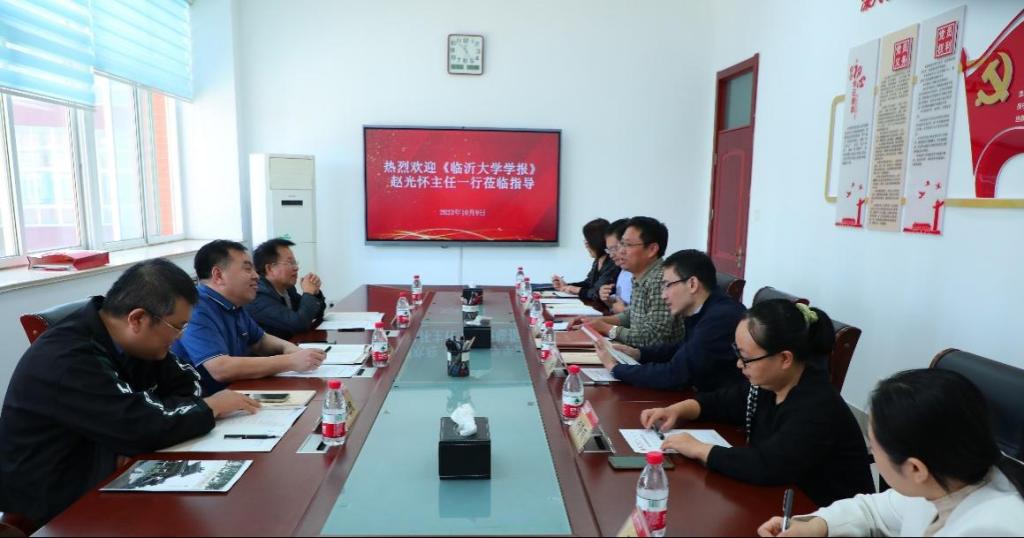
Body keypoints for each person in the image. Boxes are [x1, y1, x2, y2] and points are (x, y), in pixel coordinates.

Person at [0, 259, 261, 526]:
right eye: (177, 327)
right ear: (137, 318)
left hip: (109, 469)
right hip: (57, 498)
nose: (180, 337)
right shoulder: (68, 358)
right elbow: (140, 426)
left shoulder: (136, 342)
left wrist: (145, 425)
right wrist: (209, 407)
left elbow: (188, 382)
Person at [640, 299, 874, 507]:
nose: (739, 364)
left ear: (784, 359)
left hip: (824, 516)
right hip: (781, 500)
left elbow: (768, 464)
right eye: (738, 353)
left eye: (746, 358)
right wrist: (678, 410)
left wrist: (699, 449)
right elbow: (724, 402)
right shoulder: (771, 382)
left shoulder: (817, 405)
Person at [757, 369, 1024, 537]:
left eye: (873, 446)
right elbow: (872, 510)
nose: (871, 452)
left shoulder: (993, 528)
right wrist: (817, 526)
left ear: (915, 468)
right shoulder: (946, 477)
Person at [172, 240, 327, 395]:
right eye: (247, 269)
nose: (256, 276)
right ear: (218, 275)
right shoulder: (195, 309)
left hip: (235, 393)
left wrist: (289, 348)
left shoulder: (233, 303)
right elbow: (221, 368)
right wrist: (290, 361)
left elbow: (260, 340)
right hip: (207, 401)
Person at [595, 249, 745, 391]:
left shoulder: (719, 319)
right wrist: (639, 354)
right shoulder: (705, 308)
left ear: (692, 284)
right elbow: (683, 348)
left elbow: (675, 375)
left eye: (667, 285)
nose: (663, 295)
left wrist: (616, 368)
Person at [572, 216, 684, 347]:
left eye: (628, 245)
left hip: (655, 358)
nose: (621, 251)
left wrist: (607, 329)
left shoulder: (661, 280)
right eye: (621, 244)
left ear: (652, 249)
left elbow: (654, 338)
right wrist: (595, 321)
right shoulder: (641, 276)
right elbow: (631, 315)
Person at [245, 238, 327, 340]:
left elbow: (314, 315)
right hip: (273, 350)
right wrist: (309, 293)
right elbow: (299, 324)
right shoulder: (258, 296)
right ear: (270, 268)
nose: (296, 268)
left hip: (291, 345)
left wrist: (315, 293)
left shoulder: (287, 288)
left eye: (295, 262)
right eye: (290, 263)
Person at [551, 218, 620, 302]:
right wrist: (566, 286)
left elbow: (596, 293)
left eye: (588, 240)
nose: (586, 244)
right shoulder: (598, 260)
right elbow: (589, 283)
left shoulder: (613, 262)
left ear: (597, 242)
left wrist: (575, 289)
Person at [598, 218, 632, 313]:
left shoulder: (639, 273)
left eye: (614, 248)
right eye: (609, 250)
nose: (611, 255)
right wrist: (608, 300)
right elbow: (620, 302)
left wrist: (623, 311)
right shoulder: (624, 270)